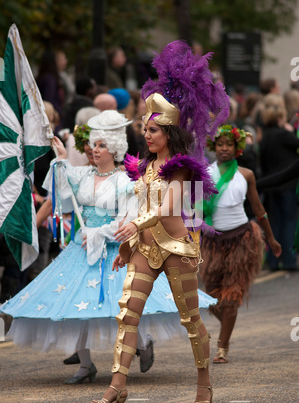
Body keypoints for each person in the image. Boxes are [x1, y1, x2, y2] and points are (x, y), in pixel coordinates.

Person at [0, 109, 217, 383]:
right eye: (94, 144)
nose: (95, 149)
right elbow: (61, 197)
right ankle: (86, 364)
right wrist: (62, 161)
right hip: (82, 248)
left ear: (114, 148)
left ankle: (141, 345)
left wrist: (102, 232)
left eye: (102, 145)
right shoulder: (82, 175)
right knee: (72, 305)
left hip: (115, 248)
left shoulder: (126, 180)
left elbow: (130, 217)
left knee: (122, 306)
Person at [89, 40, 230, 403]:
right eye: (144, 129)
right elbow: (143, 204)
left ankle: (205, 385)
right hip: (144, 249)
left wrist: (136, 221)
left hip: (176, 249)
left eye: (153, 130)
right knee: (127, 315)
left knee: (190, 319)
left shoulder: (182, 168)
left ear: (169, 132)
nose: (147, 135)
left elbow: (169, 206)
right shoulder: (145, 167)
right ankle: (116, 387)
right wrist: (128, 242)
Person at [199, 124, 282, 364]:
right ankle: (225, 319)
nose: (224, 148)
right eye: (221, 144)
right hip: (212, 241)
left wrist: (272, 239)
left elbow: (259, 210)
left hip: (242, 240)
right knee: (212, 296)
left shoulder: (246, 175)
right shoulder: (203, 172)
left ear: (237, 149)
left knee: (232, 298)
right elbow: (192, 207)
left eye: (229, 145)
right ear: (214, 147)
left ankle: (222, 347)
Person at [259, 95, 299, 271]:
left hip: (271, 185)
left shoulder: (266, 136)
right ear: (280, 118)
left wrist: (257, 184)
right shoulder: (284, 134)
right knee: (289, 222)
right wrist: (290, 131)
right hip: (287, 186)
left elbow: (263, 162)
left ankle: (273, 260)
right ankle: (289, 260)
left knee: (273, 223)